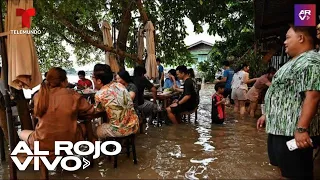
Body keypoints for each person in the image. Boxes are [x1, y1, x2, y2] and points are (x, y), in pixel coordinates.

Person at [257, 25, 320, 179]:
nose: (284, 42)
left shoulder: (310, 61)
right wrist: (268, 115)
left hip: (292, 131)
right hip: (280, 128)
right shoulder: (296, 61)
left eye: (287, 37)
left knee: (296, 174)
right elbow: (284, 93)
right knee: (284, 170)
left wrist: (301, 129)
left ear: (301, 38)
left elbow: (312, 96)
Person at [19, 67, 96, 151]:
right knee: (83, 126)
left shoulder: (38, 96)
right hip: (69, 140)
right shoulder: (72, 94)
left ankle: (33, 156)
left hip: (43, 141)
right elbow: (90, 111)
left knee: (22, 133)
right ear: (64, 81)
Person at [93, 69, 139, 138]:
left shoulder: (100, 94)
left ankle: (100, 147)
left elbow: (98, 110)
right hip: (134, 125)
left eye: (92, 77)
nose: (92, 79)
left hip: (120, 130)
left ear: (99, 81)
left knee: (94, 130)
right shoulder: (120, 85)